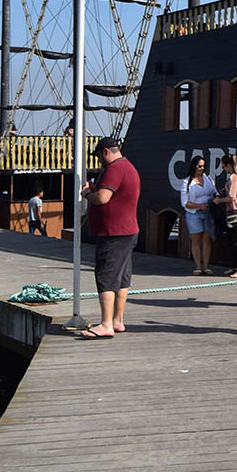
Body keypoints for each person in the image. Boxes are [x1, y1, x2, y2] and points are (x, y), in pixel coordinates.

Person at [78, 137, 141, 339]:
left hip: (114, 233)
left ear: (105, 152)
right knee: (122, 277)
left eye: (98, 156)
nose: (98, 160)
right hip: (128, 230)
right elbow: (116, 196)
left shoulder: (114, 169)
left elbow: (103, 198)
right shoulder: (129, 166)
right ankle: (117, 320)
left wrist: (88, 193)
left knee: (106, 276)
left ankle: (106, 324)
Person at [180, 155, 217, 276]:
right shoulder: (187, 182)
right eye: (199, 166)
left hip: (207, 212)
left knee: (207, 239)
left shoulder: (208, 178)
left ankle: (206, 266)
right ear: (194, 166)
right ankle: (197, 266)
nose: (202, 168)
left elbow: (214, 192)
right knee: (196, 240)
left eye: (203, 166)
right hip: (194, 213)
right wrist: (199, 206)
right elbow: (184, 202)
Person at [214, 154, 237, 278]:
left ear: (229, 166)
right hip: (233, 212)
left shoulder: (234, 178)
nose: (224, 169)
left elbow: (232, 197)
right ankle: (235, 266)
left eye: (224, 167)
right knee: (232, 241)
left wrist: (219, 200)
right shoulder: (236, 177)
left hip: (235, 212)